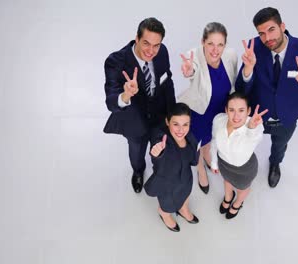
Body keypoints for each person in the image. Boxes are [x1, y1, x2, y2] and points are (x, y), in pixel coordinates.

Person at [235, 7, 298, 188]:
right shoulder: (254, 47)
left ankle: (274, 163)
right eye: (261, 33)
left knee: (279, 146)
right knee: (247, 143)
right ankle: (246, 164)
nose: (267, 38)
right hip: (257, 116)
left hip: (287, 117)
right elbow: (240, 91)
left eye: (271, 30)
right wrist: (247, 70)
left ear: (282, 26)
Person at [103, 17, 176, 193]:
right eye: (146, 43)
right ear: (136, 38)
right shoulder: (115, 61)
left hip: (159, 115)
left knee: (162, 149)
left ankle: (160, 174)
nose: (151, 51)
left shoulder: (162, 52)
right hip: (134, 120)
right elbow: (111, 102)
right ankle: (138, 171)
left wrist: (171, 114)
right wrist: (126, 94)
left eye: (156, 45)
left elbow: (167, 81)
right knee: (136, 153)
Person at [178, 22, 238, 194]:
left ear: (225, 45)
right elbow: (191, 71)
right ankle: (200, 169)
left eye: (220, 44)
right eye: (210, 43)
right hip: (200, 111)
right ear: (203, 41)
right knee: (197, 141)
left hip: (219, 110)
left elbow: (233, 82)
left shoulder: (231, 55)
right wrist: (188, 71)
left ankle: (207, 154)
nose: (215, 50)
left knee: (211, 138)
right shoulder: (193, 56)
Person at [210, 92, 268, 219]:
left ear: (248, 111)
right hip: (224, 163)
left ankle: (237, 203)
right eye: (231, 110)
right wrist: (214, 162)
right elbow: (214, 141)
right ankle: (228, 197)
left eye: (241, 110)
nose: (236, 116)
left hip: (244, 169)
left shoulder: (255, 127)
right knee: (226, 180)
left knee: (243, 189)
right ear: (226, 110)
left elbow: (255, 138)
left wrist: (252, 127)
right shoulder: (219, 120)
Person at [144, 103, 199, 232]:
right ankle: (164, 215)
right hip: (167, 183)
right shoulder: (160, 137)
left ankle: (183, 209)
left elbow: (193, 156)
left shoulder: (190, 136)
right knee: (166, 205)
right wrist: (158, 153)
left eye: (185, 124)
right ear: (167, 122)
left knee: (185, 194)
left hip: (185, 178)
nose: (181, 130)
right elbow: (157, 151)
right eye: (176, 124)